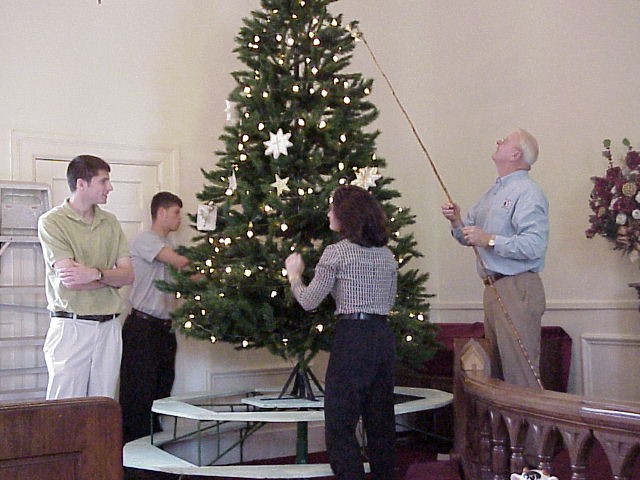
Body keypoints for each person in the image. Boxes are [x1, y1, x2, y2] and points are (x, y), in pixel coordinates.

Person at [285, 185, 398, 480]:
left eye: (332, 208)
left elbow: (309, 301)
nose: (328, 213)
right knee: (380, 422)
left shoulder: (336, 253)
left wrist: (294, 275)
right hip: (383, 336)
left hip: (353, 337)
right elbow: (389, 300)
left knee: (340, 423)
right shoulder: (387, 255)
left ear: (346, 215)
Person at [441, 128, 549, 389]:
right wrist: (456, 221)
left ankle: (525, 417)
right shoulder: (492, 194)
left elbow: (534, 245)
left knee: (520, 374)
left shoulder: (528, 192)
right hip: (492, 288)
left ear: (515, 154)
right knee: (498, 374)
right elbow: (469, 236)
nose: (498, 141)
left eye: (506, 141)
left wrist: (489, 239)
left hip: (517, 287)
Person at [38, 154, 134, 400]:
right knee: (65, 408)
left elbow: (128, 276)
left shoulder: (110, 222)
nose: (110, 187)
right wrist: (111, 279)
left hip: (109, 327)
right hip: (71, 327)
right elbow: (72, 281)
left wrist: (94, 274)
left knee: (103, 406)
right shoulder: (52, 222)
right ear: (81, 184)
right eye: (103, 181)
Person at [119, 191, 190, 443]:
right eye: (176, 213)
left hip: (165, 330)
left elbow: (188, 276)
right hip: (142, 328)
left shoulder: (170, 247)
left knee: (161, 390)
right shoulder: (146, 240)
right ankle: (133, 451)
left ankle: (152, 447)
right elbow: (179, 263)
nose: (179, 218)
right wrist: (210, 261)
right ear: (161, 212)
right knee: (138, 393)